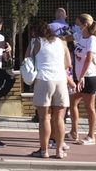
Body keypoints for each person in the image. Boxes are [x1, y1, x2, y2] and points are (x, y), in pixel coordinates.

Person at [27, 18, 73, 158]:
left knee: (44, 118)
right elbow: (68, 64)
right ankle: (59, 150)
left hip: (44, 80)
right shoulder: (62, 42)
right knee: (59, 118)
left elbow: (27, 61)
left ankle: (44, 151)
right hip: (60, 80)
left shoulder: (35, 42)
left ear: (35, 31)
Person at [68, 13, 96, 145]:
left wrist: (82, 76)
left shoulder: (92, 39)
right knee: (72, 103)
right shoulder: (80, 36)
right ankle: (74, 132)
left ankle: (91, 136)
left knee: (89, 107)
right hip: (78, 77)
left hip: (89, 77)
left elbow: (89, 58)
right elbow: (65, 38)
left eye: (77, 25)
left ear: (85, 25)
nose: (75, 27)